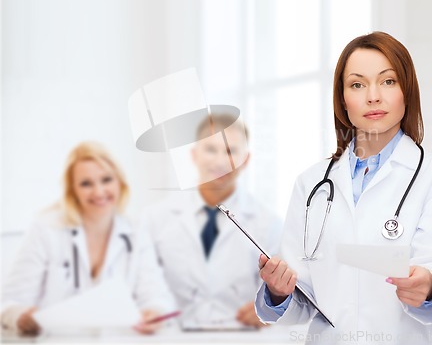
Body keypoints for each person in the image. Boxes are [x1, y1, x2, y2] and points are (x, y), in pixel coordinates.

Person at [256, 32, 432, 344]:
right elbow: (302, 301)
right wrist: (278, 291)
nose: (373, 96)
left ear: (407, 91)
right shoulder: (311, 184)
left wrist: (427, 286)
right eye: (357, 84)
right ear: (342, 98)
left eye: (388, 81)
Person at [1, 141, 177, 335]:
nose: (99, 192)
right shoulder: (46, 230)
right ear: (73, 190)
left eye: (106, 180)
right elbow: (10, 302)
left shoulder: (136, 232)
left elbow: (156, 295)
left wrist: (154, 312)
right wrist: (21, 317)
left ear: (120, 182)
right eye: (86, 184)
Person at [143, 113, 282, 329]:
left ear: (245, 160)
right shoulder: (155, 219)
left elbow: (281, 293)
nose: (220, 161)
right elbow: (146, 283)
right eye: (210, 149)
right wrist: (153, 310)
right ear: (194, 155)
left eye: (231, 151)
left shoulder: (268, 223)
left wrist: (270, 311)